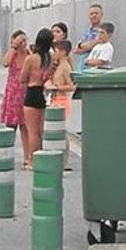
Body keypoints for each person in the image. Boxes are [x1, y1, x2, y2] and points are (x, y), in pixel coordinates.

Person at [20, 28, 54, 170]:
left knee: (32, 130)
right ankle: (39, 157)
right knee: (40, 130)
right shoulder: (50, 59)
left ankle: (32, 160)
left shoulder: (31, 58)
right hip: (43, 93)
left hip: (32, 93)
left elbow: (23, 78)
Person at [0, 30, 31, 165]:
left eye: (24, 41)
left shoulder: (30, 54)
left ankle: (27, 157)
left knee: (26, 127)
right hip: (13, 95)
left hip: (27, 93)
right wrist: (14, 47)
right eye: (20, 41)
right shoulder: (13, 54)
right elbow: (5, 63)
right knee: (11, 126)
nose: (23, 44)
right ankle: (6, 156)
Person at [46, 40, 76, 170]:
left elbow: (72, 86)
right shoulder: (57, 65)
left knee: (62, 132)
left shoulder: (66, 67)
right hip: (54, 99)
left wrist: (57, 87)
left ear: (63, 52)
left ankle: (65, 161)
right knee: (55, 130)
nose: (54, 54)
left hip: (62, 100)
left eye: (56, 51)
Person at [74, 3, 103, 71]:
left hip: (95, 70)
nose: (94, 16)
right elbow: (76, 50)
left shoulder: (103, 31)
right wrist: (88, 45)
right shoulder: (87, 31)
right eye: (91, 14)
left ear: (101, 15)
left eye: (96, 13)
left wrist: (82, 46)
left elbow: (98, 42)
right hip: (82, 68)